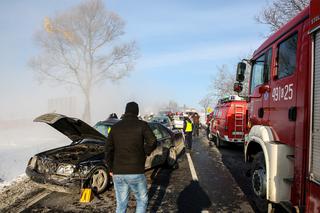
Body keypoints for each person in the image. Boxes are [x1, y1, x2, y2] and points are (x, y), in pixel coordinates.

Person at [105, 102, 157, 213]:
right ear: (137, 112)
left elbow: (108, 149)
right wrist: (144, 152)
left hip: (118, 172)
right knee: (142, 201)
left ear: (125, 111)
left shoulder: (115, 127)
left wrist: (110, 168)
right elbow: (153, 141)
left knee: (121, 205)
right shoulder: (142, 125)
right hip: (136, 170)